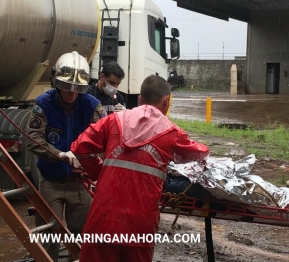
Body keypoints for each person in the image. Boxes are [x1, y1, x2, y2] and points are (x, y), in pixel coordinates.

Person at [70, 75, 209, 262]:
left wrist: (99, 172)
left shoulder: (113, 121)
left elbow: (80, 147)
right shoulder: (172, 133)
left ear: (139, 99)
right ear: (166, 101)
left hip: (102, 220)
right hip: (139, 226)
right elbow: (199, 154)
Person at [26, 51, 106, 260]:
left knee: (82, 233)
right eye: (66, 86)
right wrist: (60, 154)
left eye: (77, 88)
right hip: (50, 180)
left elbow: (105, 138)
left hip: (79, 182)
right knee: (47, 233)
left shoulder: (91, 106)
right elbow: (33, 138)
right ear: (55, 81)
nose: (71, 93)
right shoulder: (43, 103)